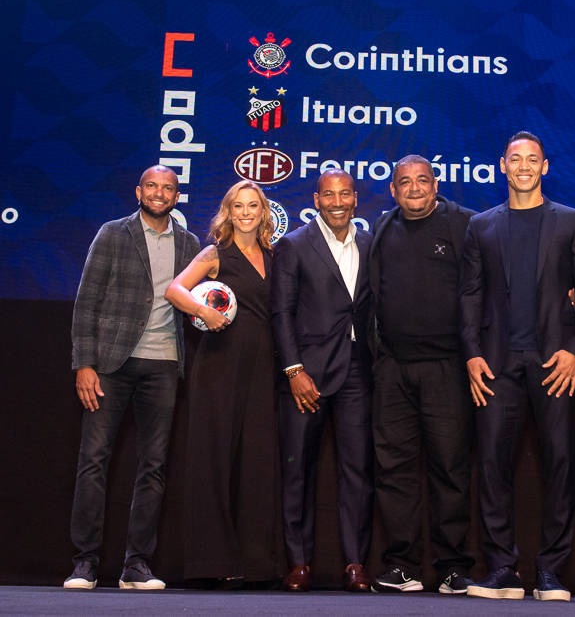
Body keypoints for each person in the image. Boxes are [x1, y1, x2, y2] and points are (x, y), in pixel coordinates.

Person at [461, 131, 575, 602]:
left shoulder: (572, 221)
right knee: (493, 467)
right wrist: (472, 353)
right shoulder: (480, 226)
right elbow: (470, 295)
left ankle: (551, 573)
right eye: (515, 158)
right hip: (496, 365)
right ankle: (502, 570)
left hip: (554, 364)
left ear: (545, 166)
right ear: (502, 165)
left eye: (532, 159)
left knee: (560, 464)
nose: (523, 166)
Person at [64, 165, 200, 591]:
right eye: (153, 186)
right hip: (110, 365)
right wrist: (84, 363)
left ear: (178, 196)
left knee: (154, 467)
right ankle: (84, 563)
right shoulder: (112, 233)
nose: (160, 193)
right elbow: (87, 302)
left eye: (169, 188)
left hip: (163, 365)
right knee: (94, 463)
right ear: (139, 191)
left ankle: (136, 566)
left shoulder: (189, 243)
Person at [366, 155, 476, 595]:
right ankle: (401, 566)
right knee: (393, 471)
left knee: (450, 468)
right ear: (392, 190)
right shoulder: (380, 230)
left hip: (447, 366)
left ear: (436, 185)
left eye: (422, 181)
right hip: (392, 367)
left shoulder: (466, 225)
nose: (414, 189)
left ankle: (452, 566)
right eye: (404, 183)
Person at [164, 179, 279, 586]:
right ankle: (210, 565)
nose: (246, 212)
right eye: (238, 206)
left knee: (257, 463)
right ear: (227, 212)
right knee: (212, 461)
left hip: (263, 368)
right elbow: (174, 289)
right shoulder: (214, 253)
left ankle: (254, 565)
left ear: (263, 212)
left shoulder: (272, 254)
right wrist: (202, 310)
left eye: (253, 205)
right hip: (218, 367)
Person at [271, 168, 373, 593]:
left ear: (355, 200)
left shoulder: (371, 243)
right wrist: (294, 370)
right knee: (298, 471)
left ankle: (355, 563)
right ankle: (298, 562)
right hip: (306, 375)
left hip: (357, 370)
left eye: (344, 194)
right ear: (316, 199)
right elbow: (281, 312)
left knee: (358, 471)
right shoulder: (294, 245)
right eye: (328, 195)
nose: (336, 202)